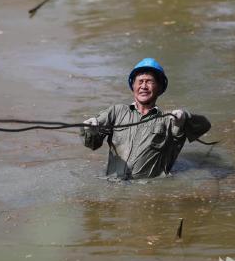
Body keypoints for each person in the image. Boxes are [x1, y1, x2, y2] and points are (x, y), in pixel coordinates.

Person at [80, 58, 211, 179]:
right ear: (133, 86)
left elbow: (204, 126)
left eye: (149, 82)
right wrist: (90, 130)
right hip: (113, 185)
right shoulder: (116, 112)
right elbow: (92, 145)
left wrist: (185, 117)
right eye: (140, 82)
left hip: (147, 192)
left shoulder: (170, 120)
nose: (143, 86)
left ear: (160, 88)